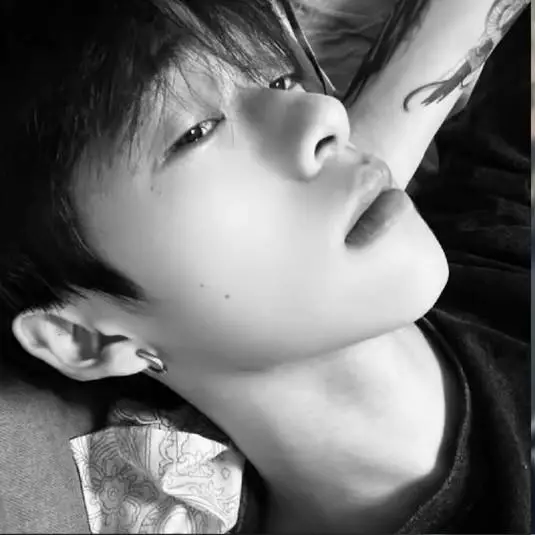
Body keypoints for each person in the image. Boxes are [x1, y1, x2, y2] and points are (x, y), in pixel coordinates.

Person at [0, 0, 529, 533]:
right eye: (196, 132)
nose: (327, 113)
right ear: (84, 338)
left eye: (281, 80)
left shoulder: (501, 227)